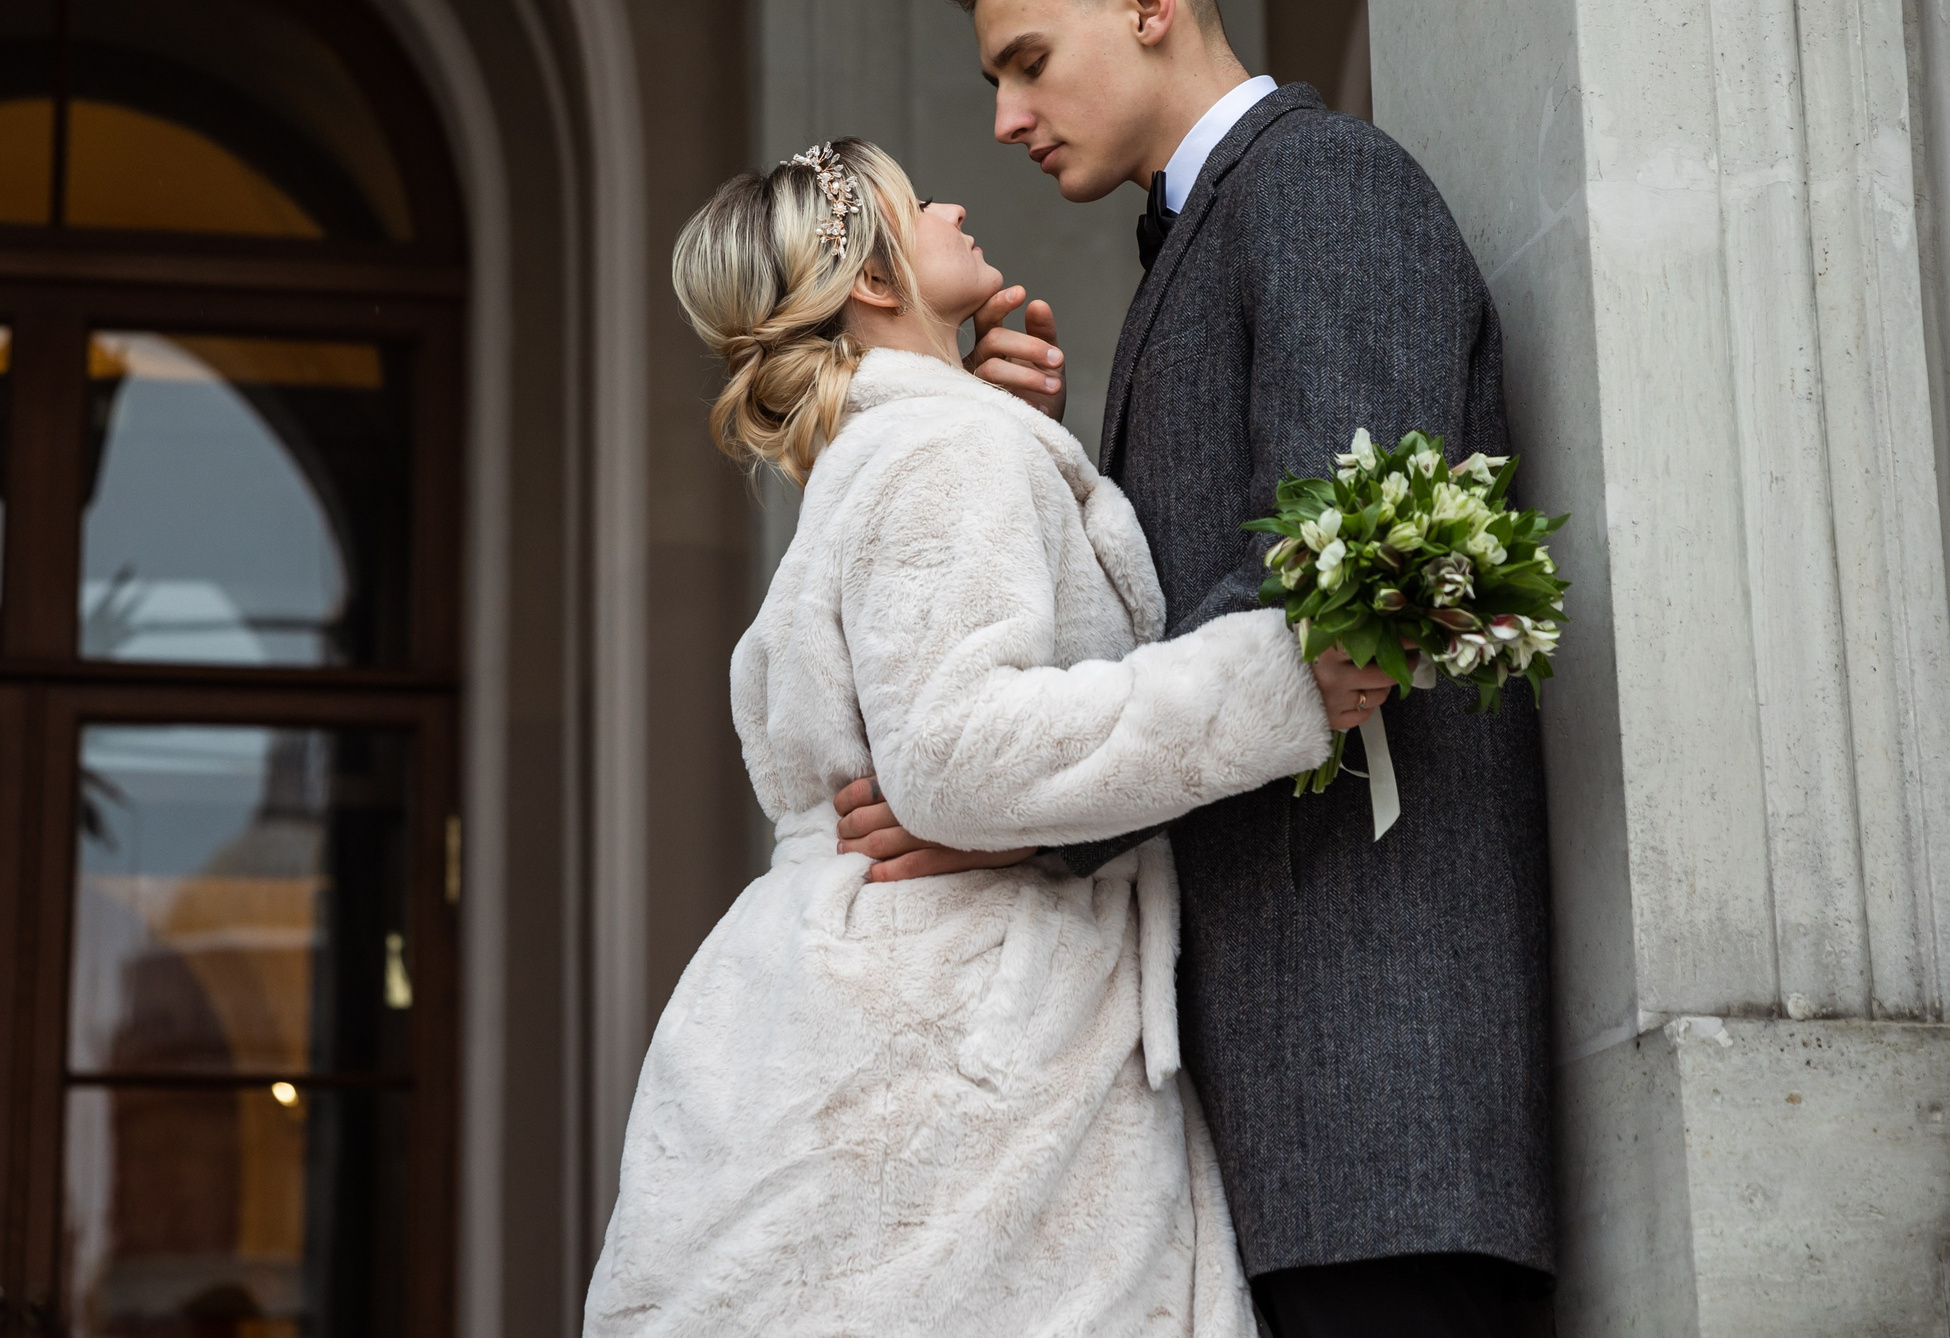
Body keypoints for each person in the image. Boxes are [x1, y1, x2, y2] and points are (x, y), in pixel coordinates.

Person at [834, 0, 1555, 1336]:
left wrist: (998, 792)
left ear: (1146, 4)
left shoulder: (1323, 185)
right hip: (1278, 1090)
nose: (1004, 119)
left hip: (1376, 1073)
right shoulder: (1207, 231)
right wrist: (1017, 450)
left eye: (1026, 62)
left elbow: (1328, 592)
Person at [584, 138, 1397, 1336]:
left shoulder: (918, 443)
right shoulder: (943, 451)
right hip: (962, 1030)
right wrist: (1278, 678)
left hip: (872, 997)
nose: (959, 203)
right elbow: (961, 755)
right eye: (923, 202)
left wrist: (1016, 441)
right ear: (871, 278)